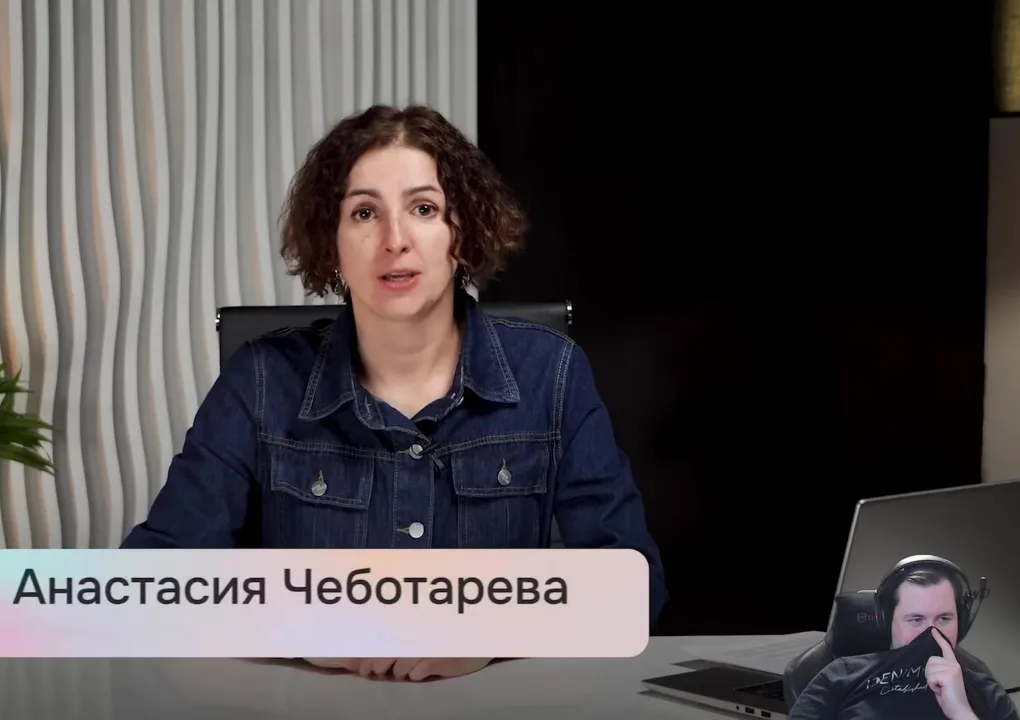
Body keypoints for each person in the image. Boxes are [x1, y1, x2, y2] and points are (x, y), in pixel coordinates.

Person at [120, 104, 667, 681]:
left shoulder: (551, 373)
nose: (395, 240)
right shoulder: (259, 380)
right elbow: (146, 588)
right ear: (332, 242)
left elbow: (636, 592)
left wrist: (494, 631)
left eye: (424, 209)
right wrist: (297, 627)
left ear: (462, 231)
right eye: (364, 213)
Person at [789, 556, 1019, 720]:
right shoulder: (840, 676)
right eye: (916, 620)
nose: (932, 633)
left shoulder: (987, 692)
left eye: (944, 618)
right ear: (885, 619)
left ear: (961, 620)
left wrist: (961, 711)